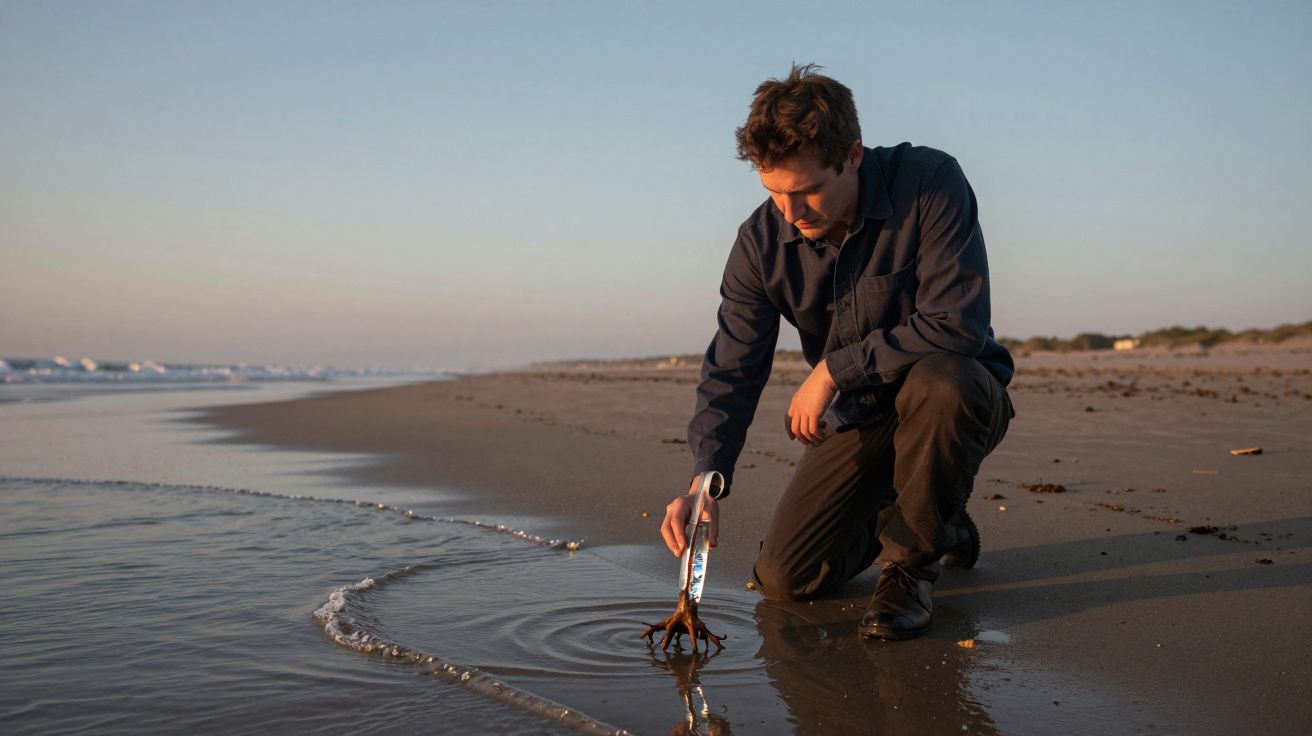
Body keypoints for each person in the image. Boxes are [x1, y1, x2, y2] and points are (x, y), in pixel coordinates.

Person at [659, 64, 1014, 641]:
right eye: (774, 193)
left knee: (943, 381)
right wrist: (705, 479)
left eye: (806, 191)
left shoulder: (930, 183)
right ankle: (937, 518)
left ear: (852, 156)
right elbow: (732, 367)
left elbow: (957, 325)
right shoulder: (760, 244)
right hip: (864, 414)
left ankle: (910, 568)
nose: (791, 213)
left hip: (957, 397)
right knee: (787, 578)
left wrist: (833, 369)